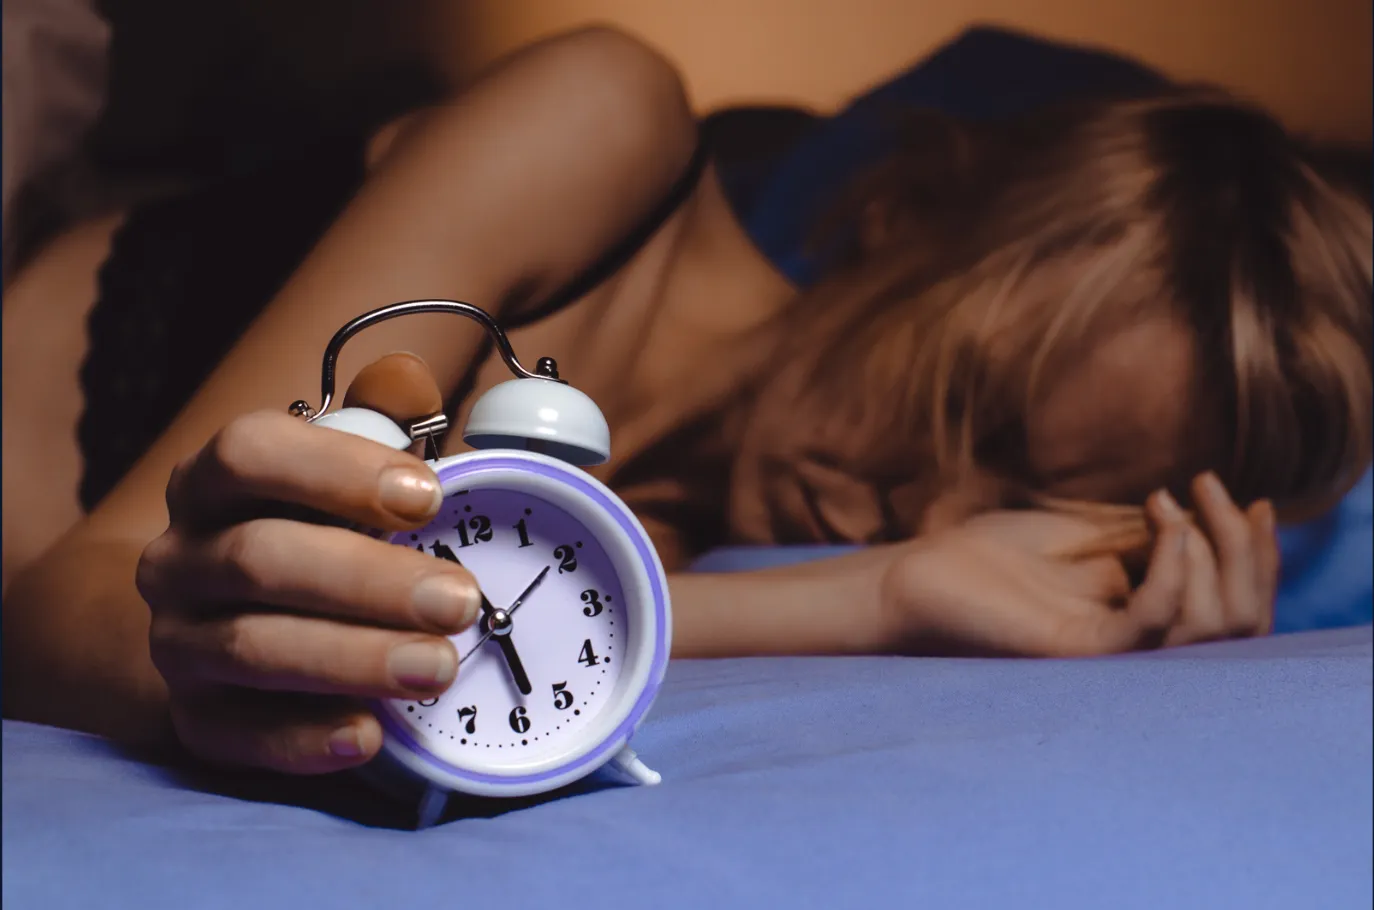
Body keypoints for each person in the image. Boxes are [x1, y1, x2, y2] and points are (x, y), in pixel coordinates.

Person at [2, 26, 1369, 775]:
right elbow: (59, 614)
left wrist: (947, 604)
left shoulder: (693, 554)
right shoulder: (601, 129)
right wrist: (875, 594)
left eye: (1025, 499)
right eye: (976, 412)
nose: (924, 509)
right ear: (901, 213)